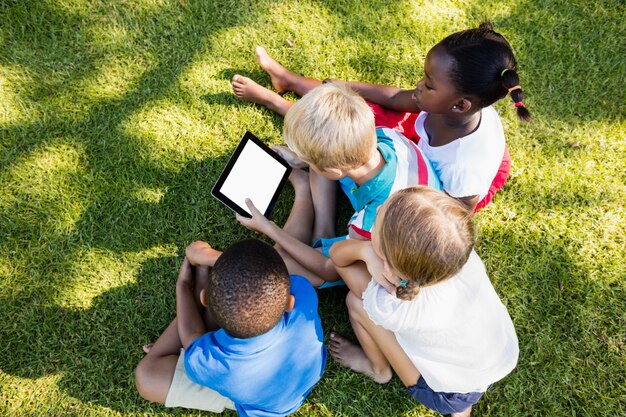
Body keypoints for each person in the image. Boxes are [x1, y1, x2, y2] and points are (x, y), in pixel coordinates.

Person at [231, 22, 531, 213]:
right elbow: (394, 97)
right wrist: (343, 87)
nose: (418, 86)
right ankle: (290, 81)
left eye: (427, 84)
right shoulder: (446, 104)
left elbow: (453, 212)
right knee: (348, 105)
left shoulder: (466, 167)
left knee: (347, 130)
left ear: (460, 105)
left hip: (437, 188)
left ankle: (274, 100)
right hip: (419, 147)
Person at [327, 186, 519, 416]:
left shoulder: (391, 304)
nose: (377, 207)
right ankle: (461, 404)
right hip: (495, 358)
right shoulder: (454, 253)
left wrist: (365, 250)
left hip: (443, 393)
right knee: (459, 379)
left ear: (388, 264)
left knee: (356, 303)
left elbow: (338, 258)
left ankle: (378, 370)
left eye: (378, 219)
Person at [236, 82, 441, 288]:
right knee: (331, 156)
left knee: (279, 259)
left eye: (309, 163)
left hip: (392, 247)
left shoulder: (373, 220)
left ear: (334, 172)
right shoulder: (386, 135)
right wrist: (306, 160)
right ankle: (323, 230)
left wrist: (269, 228)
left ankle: (305, 192)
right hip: (403, 192)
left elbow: (329, 270)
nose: (307, 164)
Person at [134, 239, 326, 416]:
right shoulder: (303, 292)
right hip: (295, 382)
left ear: (205, 299)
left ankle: (202, 291)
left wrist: (183, 287)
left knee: (147, 377)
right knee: (208, 334)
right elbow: (268, 279)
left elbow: (191, 334)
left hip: (256, 399)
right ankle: (206, 291)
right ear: (289, 303)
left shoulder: (213, 364)